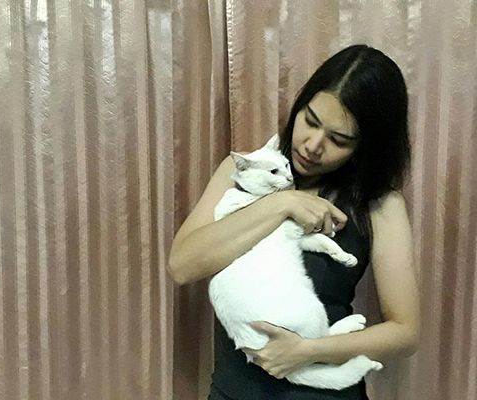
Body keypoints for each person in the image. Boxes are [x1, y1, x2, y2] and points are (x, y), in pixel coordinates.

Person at [167, 44, 420, 400]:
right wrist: (282, 203)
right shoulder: (243, 172)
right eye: (310, 121)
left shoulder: (379, 204)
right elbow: (182, 265)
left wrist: (307, 351)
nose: (313, 145)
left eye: (338, 140)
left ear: (364, 147)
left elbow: (405, 332)